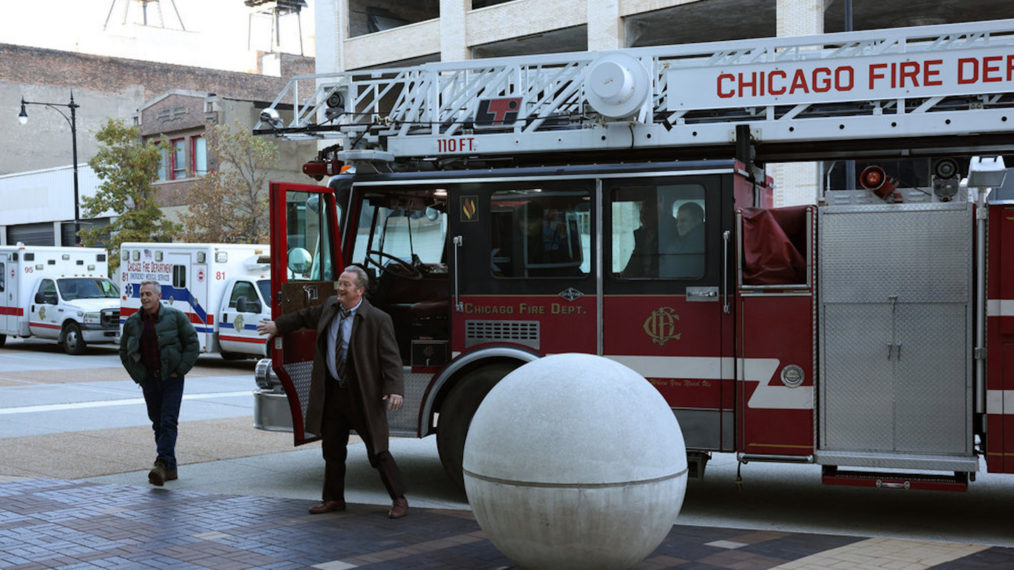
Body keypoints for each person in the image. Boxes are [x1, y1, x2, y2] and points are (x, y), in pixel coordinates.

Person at [256, 266, 409, 519]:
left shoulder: (377, 319)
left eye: (346, 285)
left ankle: (399, 499)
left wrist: (394, 389)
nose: (340, 288)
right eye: (340, 283)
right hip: (333, 395)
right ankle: (334, 499)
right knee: (333, 449)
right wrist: (277, 326)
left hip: (362, 396)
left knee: (378, 450)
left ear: (359, 291)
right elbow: (304, 316)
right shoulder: (329, 307)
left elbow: (390, 359)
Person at [119, 280, 199, 486]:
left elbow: (192, 343)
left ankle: (161, 463)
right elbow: (124, 352)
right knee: (157, 422)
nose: (144, 298)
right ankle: (170, 468)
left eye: (148, 294)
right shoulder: (133, 322)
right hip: (149, 380)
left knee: (168, 421)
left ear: (158, 296)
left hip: (171, 379)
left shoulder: (175, 317)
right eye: (142, 294)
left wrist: (180, 370)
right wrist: (138, 376)